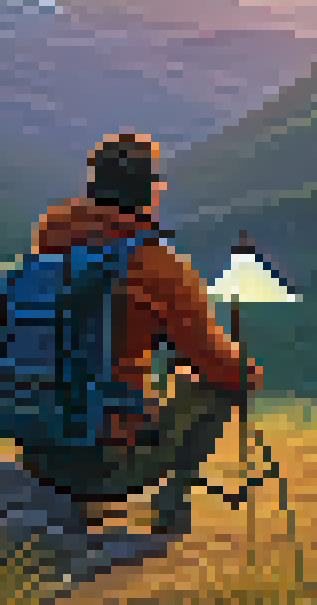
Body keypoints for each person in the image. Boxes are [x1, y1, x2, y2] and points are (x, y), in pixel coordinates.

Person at [15, 132, 263, 536]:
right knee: (224, 386)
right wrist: (245, 374)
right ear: (150, 192)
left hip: (35, 450)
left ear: (91, 186)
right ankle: (170, 502)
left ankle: (75, 499)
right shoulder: (157, 267)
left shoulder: (48, 244)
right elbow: (221, 367)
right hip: (105, 465)